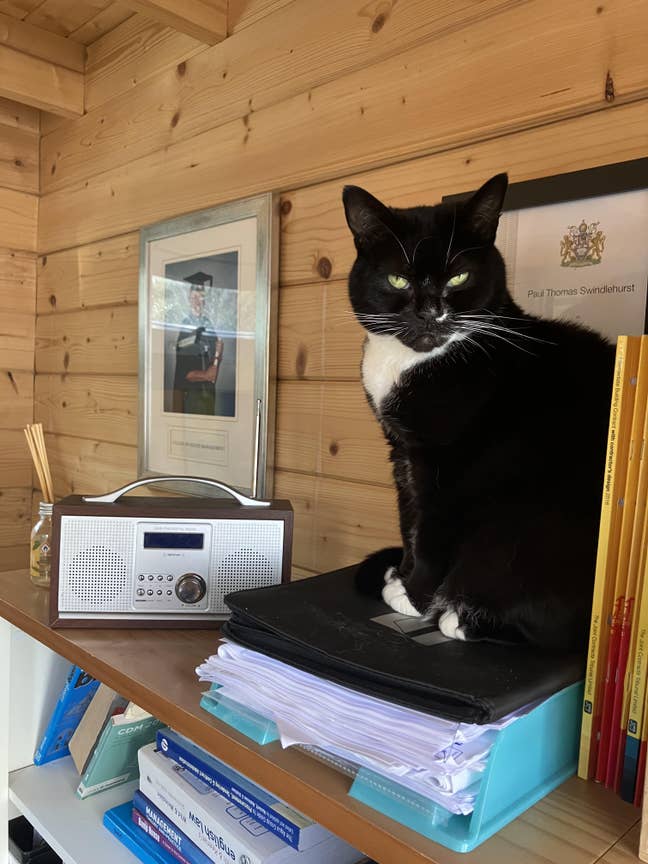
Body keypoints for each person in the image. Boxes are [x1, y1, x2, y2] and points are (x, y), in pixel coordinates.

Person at [173, 272, 224, 415]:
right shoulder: (186, 326)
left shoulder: (208, 323)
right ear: (189, 299)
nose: (198, 301)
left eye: (201, 297)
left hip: (208, 392)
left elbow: (218, 346)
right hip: (192, 394)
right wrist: (207, 374)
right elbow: (184, 371)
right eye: (194, 297)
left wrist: (216, 360)